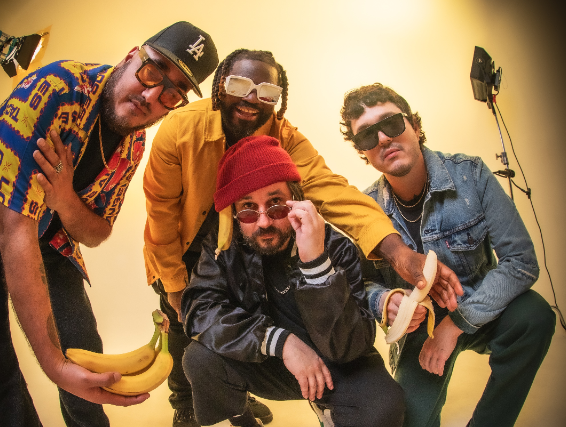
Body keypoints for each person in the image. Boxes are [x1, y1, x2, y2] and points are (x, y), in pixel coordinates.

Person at [142, 49, 462, 427]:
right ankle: (191, 402)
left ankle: (273, 383)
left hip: (270, 256)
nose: (251, 99)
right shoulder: (180, 129)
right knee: (189, 332)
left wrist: (396, 254)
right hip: (190, 242)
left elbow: (332, 191)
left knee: (257, 315)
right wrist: (176, 286)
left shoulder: (288, 143)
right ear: (220, 86)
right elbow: (161, 212)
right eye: (240, 85)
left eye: (266, 92)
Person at [0, 21, 218, 427]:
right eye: (152, 71)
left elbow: (96, 232)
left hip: (50, 237)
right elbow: (16, 228)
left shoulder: (133, 143)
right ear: (131, 56)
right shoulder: (54, 89)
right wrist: (53, 364)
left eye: (171, 94)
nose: (151, 96)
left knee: (85, 349)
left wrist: (64, 199)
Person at [339, 83, 556, 427]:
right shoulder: (365, 210)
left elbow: (521, 262)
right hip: (419, 330)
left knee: (535, 316)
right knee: (409, 421)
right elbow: (358, 286)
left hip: (483, 307)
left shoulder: (471, 174)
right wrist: (385, 301)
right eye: (366, 135)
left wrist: (454, 325)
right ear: (362, 151)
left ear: (415, 126)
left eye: (391, 123)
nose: (382, 139)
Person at [180, 135, 405, 427]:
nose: (263, 222)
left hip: (336, 363)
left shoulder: (336, 247)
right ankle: (242, 419)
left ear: (296, 201)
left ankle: (328, 406)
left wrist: (316, 262)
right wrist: (279, 342)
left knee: (385, 408)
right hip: (270, 358)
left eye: (275, 205)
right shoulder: (223, 248)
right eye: (248, 208)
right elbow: (199, 310)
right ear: (234, 213)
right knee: (200, 359)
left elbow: (351, 347)